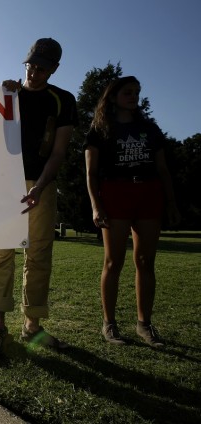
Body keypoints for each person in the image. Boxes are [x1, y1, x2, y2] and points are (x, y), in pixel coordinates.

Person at [0, 38, 78, 357]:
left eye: (41, 68)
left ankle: (32, 326)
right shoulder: (9, 95)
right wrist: (3, 95)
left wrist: (40, 186)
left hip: (42, 183)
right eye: (30, 66)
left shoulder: (63, 100)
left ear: (54, 69)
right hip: (5, 184)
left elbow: (59, 151)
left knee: (38, 256)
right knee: (2, 253)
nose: (34, 73)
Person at [84, 76, 179, 347]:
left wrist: (171, 202)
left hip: (149, 194)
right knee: (113, 262)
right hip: (115, 195)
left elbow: (163, 169)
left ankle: (144, 325)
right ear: (112, 97)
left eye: (137, 92)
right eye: (128, 92)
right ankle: (109, 324)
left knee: (146, 262)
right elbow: (90, 172)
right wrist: (95, 205)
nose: (134, 96)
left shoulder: (149, 128)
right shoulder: (100, 129)